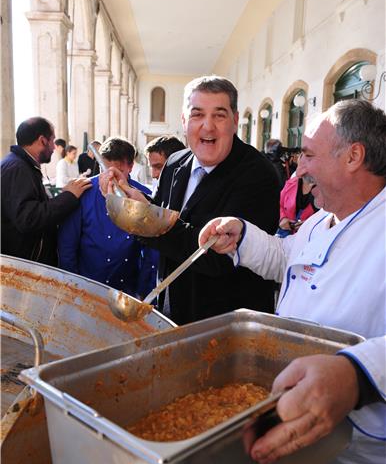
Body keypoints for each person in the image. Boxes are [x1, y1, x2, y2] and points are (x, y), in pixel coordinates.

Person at [198, 99, 386, 464]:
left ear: (353, 156)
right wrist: (241, 234)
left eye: (309, 154)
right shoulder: (322, 221)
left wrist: (356, 375)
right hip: (308, 449)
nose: (299, 168)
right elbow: (286, 258)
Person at [100, 75, 280, 325]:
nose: (207, 126)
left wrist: (145, 219)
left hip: (227, 328)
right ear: (184, 121)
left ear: (235, 121)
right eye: (197, 115)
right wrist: (132, 199)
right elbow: (166, 215)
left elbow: (219, 256)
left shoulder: (259, 174)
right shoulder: (175, 163)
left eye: (219, 115)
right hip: (172, 313)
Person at [58, 137, 157, 298]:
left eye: (118, 172)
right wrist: (72, 286)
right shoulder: (82, 192)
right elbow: (67, 244)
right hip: (86, 287)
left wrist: (143, 292)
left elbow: (151, 251)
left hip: (127, 291)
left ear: (131, 166)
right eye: (106, 171)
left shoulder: (141, 196)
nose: (111, 179)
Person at [1, 117, 91, 266]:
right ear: (43, 140)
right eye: (53, 140)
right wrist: (69, 196)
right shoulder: (17, 168)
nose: (54, 147)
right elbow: (29, 218)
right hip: (22, 267)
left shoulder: (21, 165)